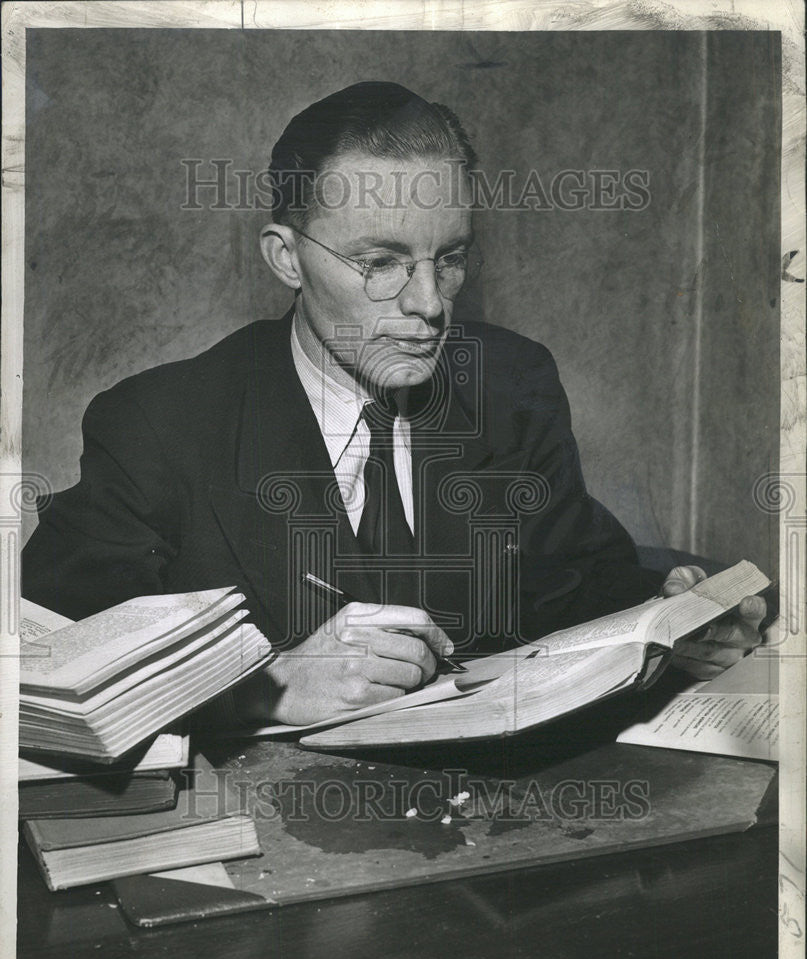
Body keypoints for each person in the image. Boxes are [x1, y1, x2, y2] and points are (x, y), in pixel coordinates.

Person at [22, 82, 766, 727]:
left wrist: (672, 619)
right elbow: (50, 665)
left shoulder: (508, 382)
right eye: (379, 263)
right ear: (286, 256)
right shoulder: (160, 424)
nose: (427, 303)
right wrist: (263, 688)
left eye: (449, 259)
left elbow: (570, 581)